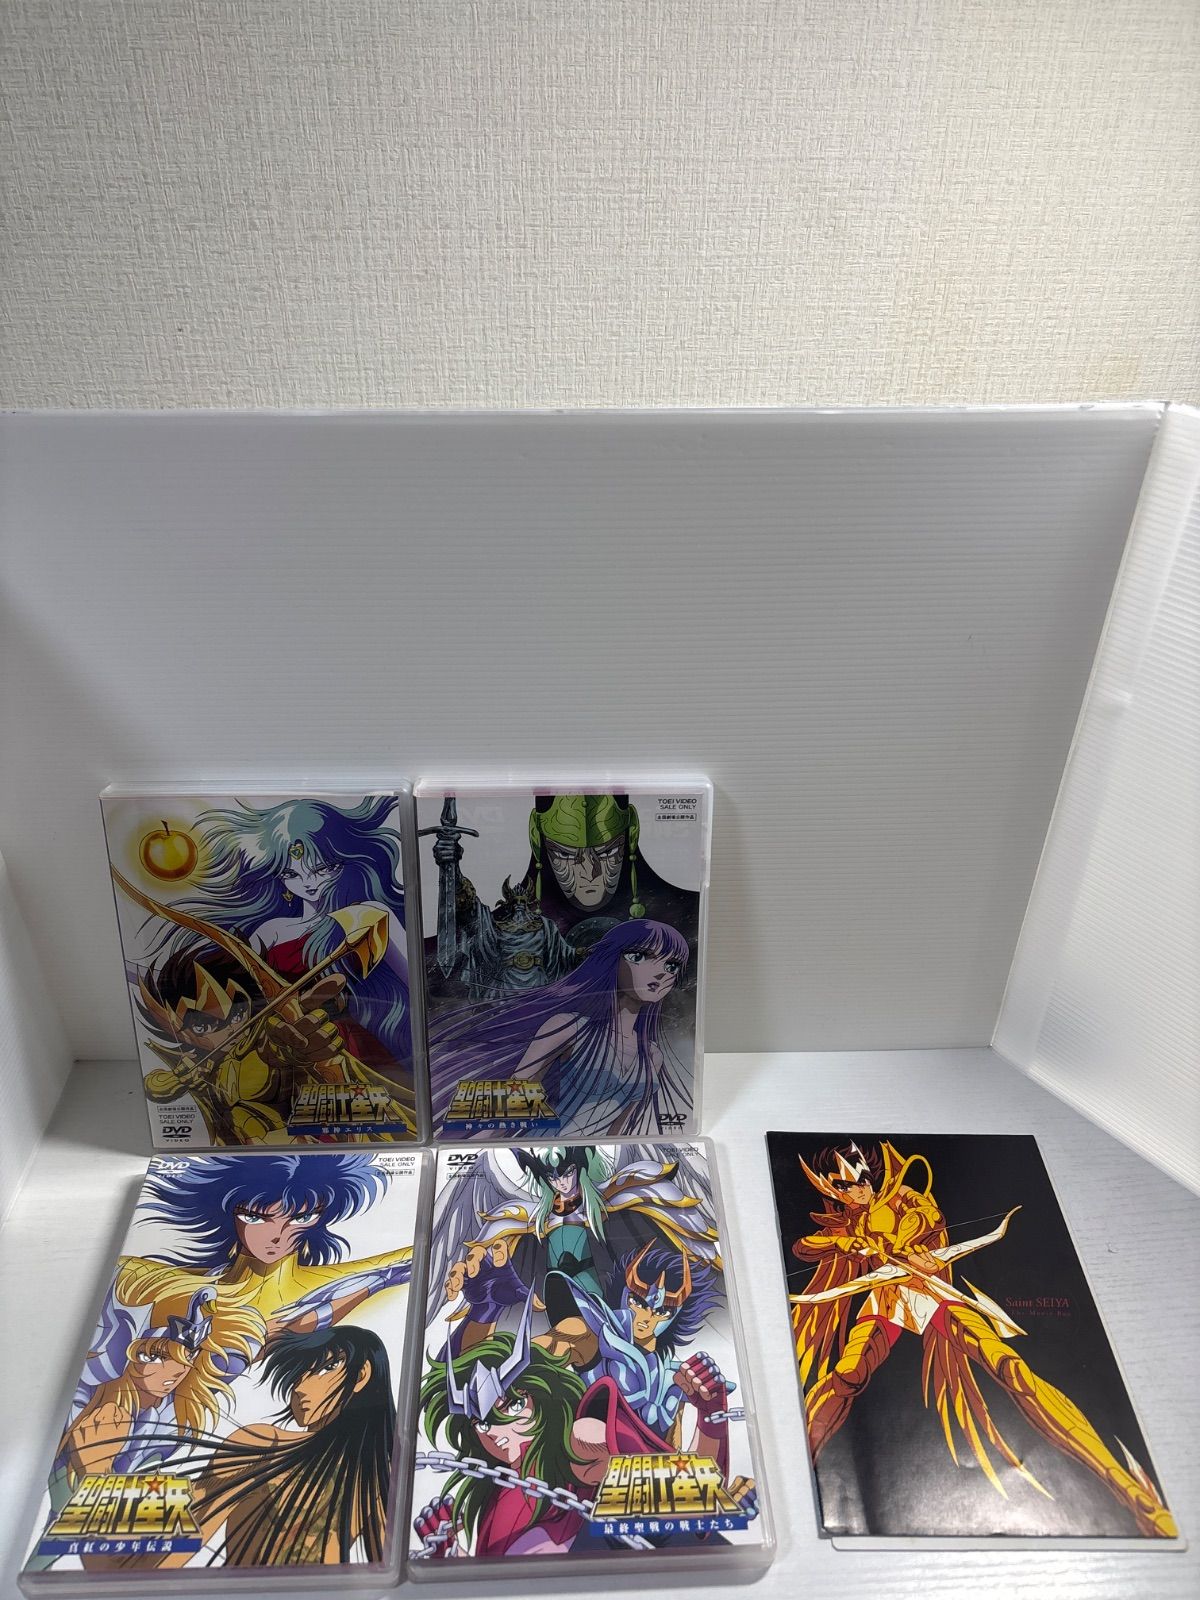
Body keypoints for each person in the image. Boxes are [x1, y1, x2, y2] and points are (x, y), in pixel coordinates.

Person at [791, 1140, 1178, 1538]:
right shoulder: (847, 1224)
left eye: (860, 1177)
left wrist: (904, 1243)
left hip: (929, 1293)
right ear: (830, 1189)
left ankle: (1132, 1492)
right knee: (848, 1374)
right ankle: (796, 1479)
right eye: (844, 1185)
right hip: (887, 1299)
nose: (858, 1189)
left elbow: (926, 1214)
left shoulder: (901, 1195)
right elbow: (805, 1246)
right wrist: (842, 1242)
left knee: (1011, 1370)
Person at [430, 921, 690, 1136]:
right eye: (639, 956)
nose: (661, 973)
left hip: (594, 1163)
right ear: (611, 960)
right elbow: (513, 1102)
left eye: (671, 966)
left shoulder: (652, 1055)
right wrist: (470, 1153)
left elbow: (619, 1133)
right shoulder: (569, 1026)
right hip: (545, 1152)